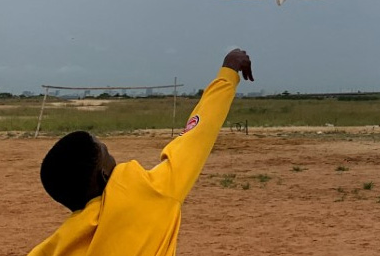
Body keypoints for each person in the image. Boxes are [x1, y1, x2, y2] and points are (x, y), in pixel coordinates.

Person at [28, 48, 254, 255]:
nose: (113, 156)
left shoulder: (59, 244)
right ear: (104, 175)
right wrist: (227, 73)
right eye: (106, 152)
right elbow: (198, 135)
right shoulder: (149, 196)